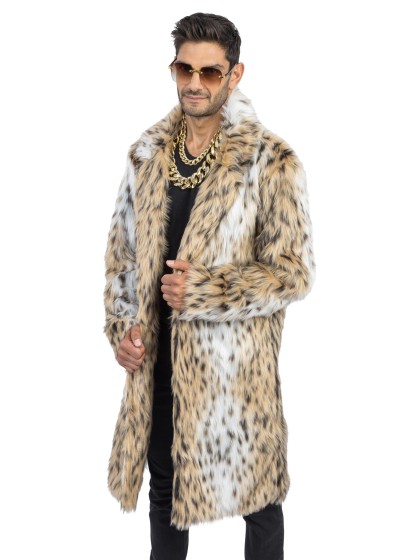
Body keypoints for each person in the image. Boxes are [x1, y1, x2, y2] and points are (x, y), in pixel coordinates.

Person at [103, 12, 315, 560]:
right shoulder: (147, 155)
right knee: (165, 490)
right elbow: (122, 258)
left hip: (235, 376)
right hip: (160, 366)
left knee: (260, 504)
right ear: (173, 69)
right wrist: (123, 328)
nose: (195, 83)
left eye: (211, 72)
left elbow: (293, 272)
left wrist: (206, 292)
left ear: (235, 74)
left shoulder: (271, 161)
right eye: (185, 69)